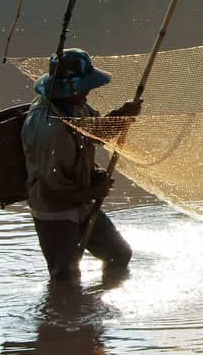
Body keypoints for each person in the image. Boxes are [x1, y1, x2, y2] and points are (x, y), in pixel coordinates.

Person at [21, 48, 141, 282]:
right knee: (65, 276)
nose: (88, 91)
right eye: (84, 86)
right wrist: (92, 192)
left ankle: (92, 309)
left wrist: (121, 115)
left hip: (82, 200)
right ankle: (60, 316)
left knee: (119, 254)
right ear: (68, 88)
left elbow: (94, 133)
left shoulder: (75, 106)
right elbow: (51, 189)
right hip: (54, 210)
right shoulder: (48, 127)